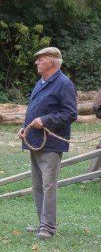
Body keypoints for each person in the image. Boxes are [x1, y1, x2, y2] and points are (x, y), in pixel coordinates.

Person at [17, 47, 77, 240]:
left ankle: (48, 227)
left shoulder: (64, 83)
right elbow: (35, 109)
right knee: (37, 185)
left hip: (51, 143)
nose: (36, 63)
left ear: (51, 62)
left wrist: (46, 121)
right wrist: (23, 127)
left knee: (48, 185)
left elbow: (70, 114)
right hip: (34, 141)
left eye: (40, 60)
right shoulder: (42, 82)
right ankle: (42, 223)